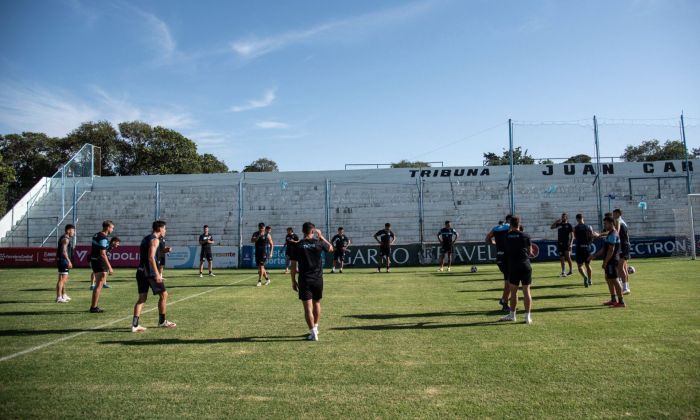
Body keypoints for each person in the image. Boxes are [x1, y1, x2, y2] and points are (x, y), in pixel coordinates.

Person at [289, 222, 334, 341]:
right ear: (312, 231)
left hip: (305, 279)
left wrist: (293, 281)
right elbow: (331, 248)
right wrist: (322, 237)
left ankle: (313, 332)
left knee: (307, 308)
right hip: (318, 279)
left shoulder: (298, 245)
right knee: (317, 303)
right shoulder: (318, 243)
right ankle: (316, 327)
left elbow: (293, 265)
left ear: (303, 231)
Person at [131, 220, 176, 333]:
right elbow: (151, 257)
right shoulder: (155, 240)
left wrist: (164, 250)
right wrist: (157, 274)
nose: (165, 231)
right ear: (160, 229)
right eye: (164, 228)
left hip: (141, 271)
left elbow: (151, 253)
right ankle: (162, 321)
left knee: (142, 298)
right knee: (164, 295)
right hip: (150, 272)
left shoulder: (146, 238)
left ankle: (135, 325)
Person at [500, 216, 534, 324]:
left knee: (514, 292)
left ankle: (512, 315)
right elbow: (530, 252)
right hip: (525, 265)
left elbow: (507, 249)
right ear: (519, 224)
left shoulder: (506, 236)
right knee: (526, 291)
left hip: (513, 266)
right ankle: (527, 317)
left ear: (510, 224)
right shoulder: (525, 235)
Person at [592, 216, 626, 308]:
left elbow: (611, 250)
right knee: (608, 278)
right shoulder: (610, 234)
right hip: (609, 260)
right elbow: (604, 249)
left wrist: (606, 262)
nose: (605, 225)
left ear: (611, 223)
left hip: (612, 260)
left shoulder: (613, 234)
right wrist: (595, 255)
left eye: (606, 223)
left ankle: (621, 302)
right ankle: (613, 299)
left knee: (614, 279)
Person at [486, 215, 512, 312]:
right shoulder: (510, 227)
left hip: (499, 257)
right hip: (507, 257)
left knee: (508, 281)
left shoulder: (496, 228)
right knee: (510, 282)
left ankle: (503, 300)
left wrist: (494, 243)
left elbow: (487, 239)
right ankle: (504, 303)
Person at [89, 220, 115, 313]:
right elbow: (103, 254)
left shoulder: (96, 235)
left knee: (98, 284)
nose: (112, 230)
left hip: (94, 260)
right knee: (99, 285)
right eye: (112, 228)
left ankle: (94, 306)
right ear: (108, 227)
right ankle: (94, 307)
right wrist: (110, 267)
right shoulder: (103, 237)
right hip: (100, 261)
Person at [574, 214, 598, 287]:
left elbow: (575, 237)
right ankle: (590, 280)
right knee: (588, 265)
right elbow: (592, 237)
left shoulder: (576, 228)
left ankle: (585, 277)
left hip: (579, 248)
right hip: (587, 248)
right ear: (582, 218)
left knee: (580, 266)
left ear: (577, 219)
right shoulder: (589, 227)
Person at [55, 224, 75, 303]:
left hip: (61, 260)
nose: (74, 232)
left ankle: (63, 295)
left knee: (62, 279)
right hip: (63, 261)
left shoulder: (63, 237)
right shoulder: (66, 239)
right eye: (73, 230)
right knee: (62, 280)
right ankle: (59, 297)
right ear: (68, 230)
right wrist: (69, 261)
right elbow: (64, 251)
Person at [613, 208, 632, 294]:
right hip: (626, 245)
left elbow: (616, 232)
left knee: (620, 267)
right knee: (623, 267)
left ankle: (625, 287)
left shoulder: (618, 221)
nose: (613, 216)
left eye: (614, 214)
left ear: (617, 214)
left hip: (623, 246)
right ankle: (626, 287)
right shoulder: (622, 221)